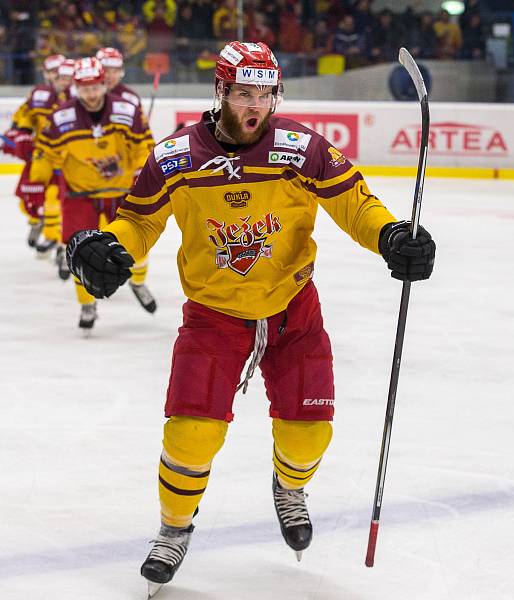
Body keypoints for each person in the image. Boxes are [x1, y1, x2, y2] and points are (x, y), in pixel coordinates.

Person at [64, 41, 436, 596]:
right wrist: (110, 248)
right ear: (221, 92)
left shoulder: (302, 149)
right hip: (214, 317)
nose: (255, 106)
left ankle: (289, 488)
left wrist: (388, 235)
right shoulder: (176, 158)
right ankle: (173, 529)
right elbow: (137, 223)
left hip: (293, 312)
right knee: (191, 435)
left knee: (310, 435)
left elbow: (354, 202)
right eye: (243, 93)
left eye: (266, 93)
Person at [31, 57, 157, 333]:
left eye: (95, 86)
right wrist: (37, 180)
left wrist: (141, 172)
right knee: (80, 253)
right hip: (81, 194)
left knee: (137, 245)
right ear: (75, 87)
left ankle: (138, 282)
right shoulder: (61, 117)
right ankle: (87, 304)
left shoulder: (126, 110)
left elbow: (144, 144)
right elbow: (45, 151)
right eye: (84, 88)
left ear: (104, 84)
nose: (90, 93)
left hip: (121, 193)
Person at [2, 54, 70, 253]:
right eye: (51, 73)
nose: (56, 78)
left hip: (66, 158)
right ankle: (36, 222)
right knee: (31, 198)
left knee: (58, 200)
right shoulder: (39, 94)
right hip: (40, 155)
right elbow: (25, 115)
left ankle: (57, 240)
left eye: (59, 73)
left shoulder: (75, 95)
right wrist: (20, 134)